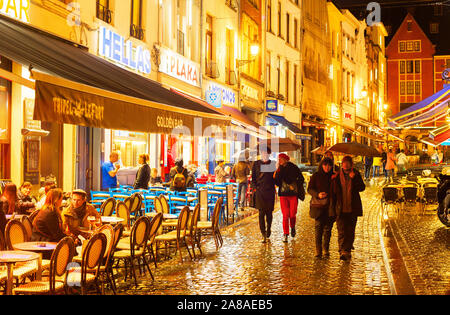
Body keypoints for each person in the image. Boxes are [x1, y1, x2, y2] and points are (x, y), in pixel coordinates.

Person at [330, 156, 365, 261]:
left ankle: (347, 250)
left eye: (347, 165)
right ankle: (342, 250)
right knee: (341, 230)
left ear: (351, 165)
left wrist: (354, 178)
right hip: (340, 208)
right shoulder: (336, 176)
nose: (345, 167)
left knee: (350, 231)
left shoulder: (356, 174)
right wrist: (332, 208)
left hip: (352, 208)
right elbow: (333, 193)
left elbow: (362, 188)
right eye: (344, 165)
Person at [308, 157, 335, 258]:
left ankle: (326, 249)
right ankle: (318, 250)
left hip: (330, 206)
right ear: (321, 165)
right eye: (325, 165)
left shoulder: (333, 176)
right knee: (318, 228)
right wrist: (317, 194)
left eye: (329, 165)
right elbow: (309, 189)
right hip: (318, 206)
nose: (327, 167)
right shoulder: (316, 176)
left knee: (328, 229)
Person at [274, 153, 304, 243]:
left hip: (293, 194)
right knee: (285, 215)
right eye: (279, 159)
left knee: (292, 214)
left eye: (281, 159)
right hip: (283, 194)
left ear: (285, 159)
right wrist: (276, 175)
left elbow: (301, 178)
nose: (279, 161)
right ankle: (286, 234)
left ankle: (293, 227)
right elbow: (277, 183)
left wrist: (295, 184)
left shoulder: (293, 167)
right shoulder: (279, 169)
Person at [251, 146, 276, 243]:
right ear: (261, 154)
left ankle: (269, 228)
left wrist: (277, 173)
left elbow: (276, 179)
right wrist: (255, 188)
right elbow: (253, 178)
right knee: (261, 213)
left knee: (269, 213)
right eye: (263, 153)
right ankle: (263, 233)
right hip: (260, 192)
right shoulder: (256, 164)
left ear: (269, 154)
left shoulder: (273, 164)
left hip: (270, 192)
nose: (265, 154)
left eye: (266, 153)